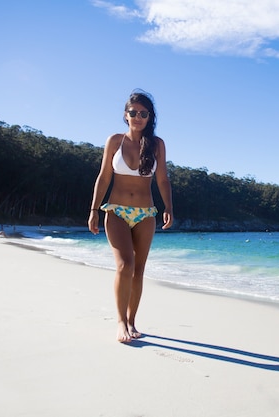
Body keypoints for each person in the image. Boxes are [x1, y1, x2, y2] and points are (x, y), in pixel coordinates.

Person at [88, 90, 173, 343]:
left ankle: (133, 321)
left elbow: (162, 179)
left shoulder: (156, 145)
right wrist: (94, 209)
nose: (137, 117)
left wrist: (168, 207)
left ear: (149, 117)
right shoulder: (115, 141)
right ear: (126, 115)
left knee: (138, 270)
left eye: (143, 113)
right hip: (116, 211)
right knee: (125, 265)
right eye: (133, 112)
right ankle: (120, 322)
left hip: (146, 213)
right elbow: (104, 176)